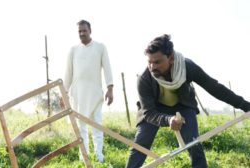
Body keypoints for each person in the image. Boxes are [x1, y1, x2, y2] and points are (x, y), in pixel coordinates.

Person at [126, 34, 250, 168]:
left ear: (171, 58)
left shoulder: (187, 67)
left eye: (157, 62)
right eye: (149, 62)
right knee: (140, 144)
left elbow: (214, 88)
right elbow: (149, 113)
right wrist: (168, 120)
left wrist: (245, 106)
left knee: (194, 144)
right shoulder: (144, 79)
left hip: (182, 106)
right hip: (154, 110)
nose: (152, 67)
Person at [64, 20, 114, 163]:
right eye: (79, 31)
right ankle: (83, 157)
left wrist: (110, 89)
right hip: (78, 94)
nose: (81, 33)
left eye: (84, 30)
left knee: (97, 125)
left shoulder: (100, 47)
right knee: (81, 128)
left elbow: (107, 67)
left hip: (95, 93)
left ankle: (99, 157)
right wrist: (64, 93)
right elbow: (68, 73)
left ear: (90, 30)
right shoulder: (73, 50)